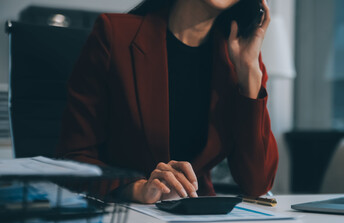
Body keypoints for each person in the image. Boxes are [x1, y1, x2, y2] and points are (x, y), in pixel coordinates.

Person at [57, 0, 278, 204]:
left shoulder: (239, 58)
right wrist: (136, 189)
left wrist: (249, 72)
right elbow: (72, 159)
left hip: (198, 221)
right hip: (124, 216)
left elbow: (256, 184)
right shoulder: (114, 34)